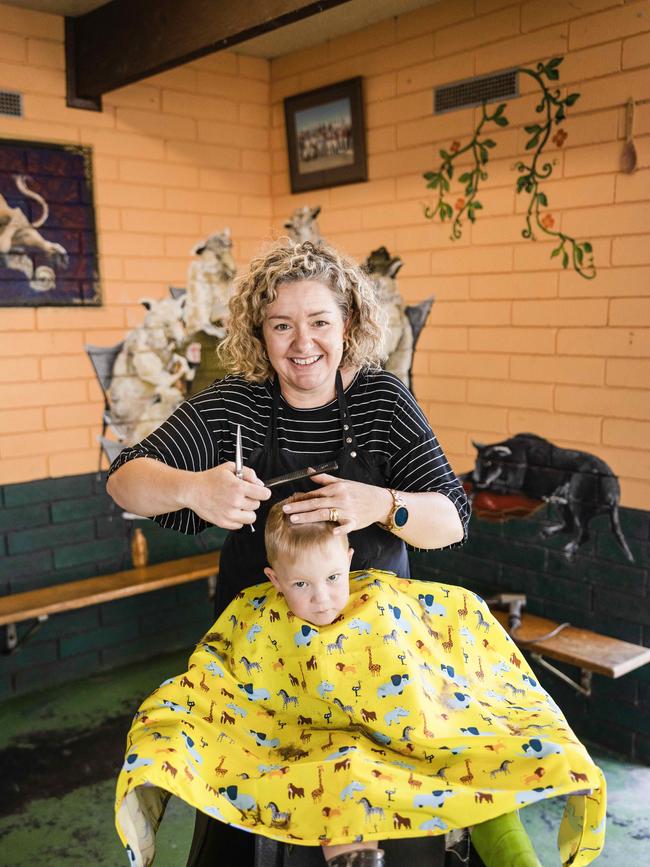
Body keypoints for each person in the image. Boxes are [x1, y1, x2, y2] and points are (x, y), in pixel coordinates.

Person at [107, 239, 470, 866]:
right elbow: (123, 480)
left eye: (320, 322)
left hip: (375, 659)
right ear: (260, 332)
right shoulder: (236, 406)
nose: (303, 343)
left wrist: (383, 504)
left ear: (347, 323)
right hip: (265, 660)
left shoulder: (383, 401)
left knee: (394, 807)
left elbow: (451, 521)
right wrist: (196, 489)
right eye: (282, 325)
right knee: (252, 824)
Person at [115, 494, 605, 867]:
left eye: (332, 578)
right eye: (301, 585)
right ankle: (355, 856)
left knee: (492, 767)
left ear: (349, 560)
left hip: (416, 729)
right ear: (275, 578)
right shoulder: (255, 615)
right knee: (338, 782)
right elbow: (216, 674)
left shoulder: (386, 600)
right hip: (306, 736)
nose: (323, 598)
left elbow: (456, 629)